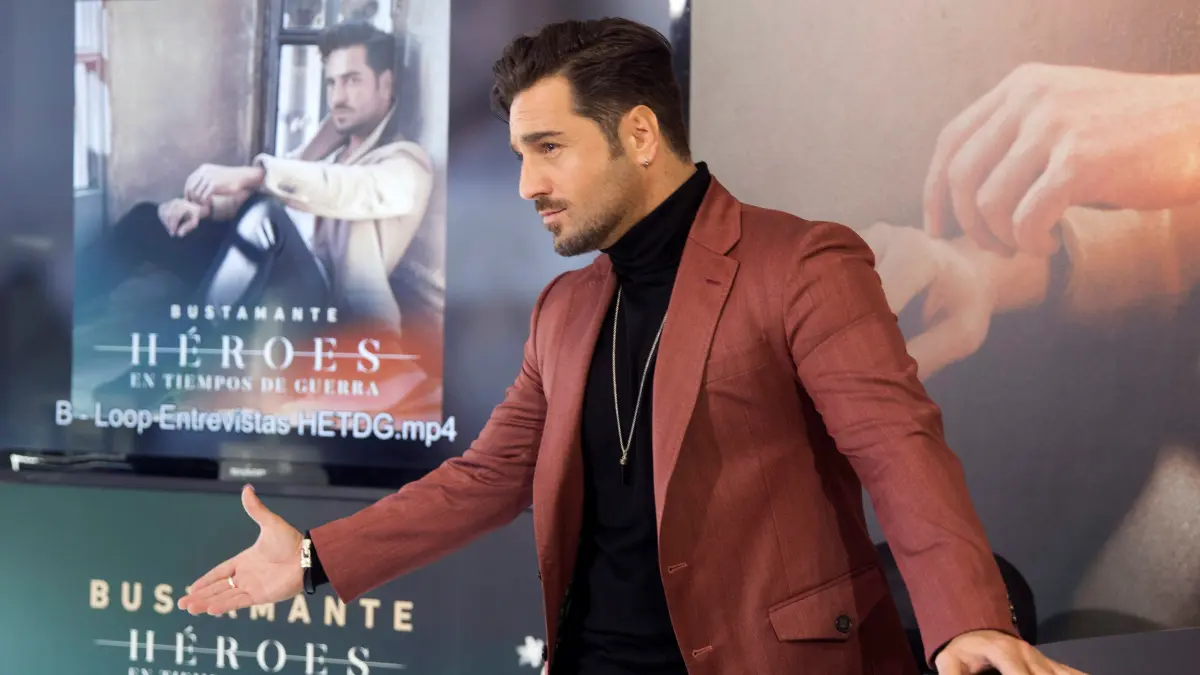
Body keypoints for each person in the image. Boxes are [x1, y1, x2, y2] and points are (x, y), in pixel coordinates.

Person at [176, 18, 1086, 675]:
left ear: (640, 134)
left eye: (549, 147)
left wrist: (968, 621)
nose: (527, 183)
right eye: (519, 153)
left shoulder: (802, 262)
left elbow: (898, 446)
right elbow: (488, 477)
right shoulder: (564, 308)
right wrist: (312, 558)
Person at [75, 21, 436, 332]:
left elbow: (342, 189)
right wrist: (205, 209)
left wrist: (253, 174)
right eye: (331, 83)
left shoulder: (407, 164)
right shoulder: (328, 145)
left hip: (323, 304)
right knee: (148, 220)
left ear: (386, 84)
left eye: (352, 81)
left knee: (265, 217)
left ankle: (173, 363)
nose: (337, 97)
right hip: (262, 267)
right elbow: (271, 189)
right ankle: (62, 310)